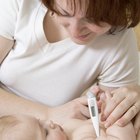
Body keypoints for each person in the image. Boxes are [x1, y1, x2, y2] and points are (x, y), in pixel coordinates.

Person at [0, 0, 140, 136]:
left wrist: (128, 103)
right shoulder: (20, 3)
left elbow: (111, 125)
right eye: (65, 12)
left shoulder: (119, 43)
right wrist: (49, 114)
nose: (75, 30)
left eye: (92, 19)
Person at [0, 92, 137, 140]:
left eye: (40, 121)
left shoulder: (64, 130)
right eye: (45, 132)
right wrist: (114, 116)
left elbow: (91, 122)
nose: (50, 123)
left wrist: (99, 106)